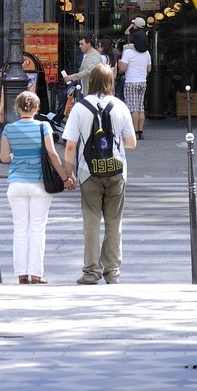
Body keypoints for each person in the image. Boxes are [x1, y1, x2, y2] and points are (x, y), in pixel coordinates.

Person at [63, 63, 136, 285]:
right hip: (117, 172)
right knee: (114, 223)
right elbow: (131, 143)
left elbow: (70, 146)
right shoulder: (120, 106)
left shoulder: (79, 107)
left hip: (88, 172)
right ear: (110, 82)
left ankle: (91, 272)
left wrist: (69, 174)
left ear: (91, 81)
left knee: (91, 222)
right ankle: (112, 272)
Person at [0, 89, 73, 284]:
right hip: (39, 183)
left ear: (17, 108)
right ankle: (36, 273)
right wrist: (65, 177)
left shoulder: (9, 129)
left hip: (16, 184)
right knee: (38, 228)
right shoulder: (44, 127)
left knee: (20, 228)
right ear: (37, 108)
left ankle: (21, 273)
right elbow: (52, 154)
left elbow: (4, 158)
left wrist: (17, 156)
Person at [118, 26, 151, 139]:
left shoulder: (128, 52)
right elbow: (149, 69)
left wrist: (119, 63)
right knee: (140, 108)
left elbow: (122, 69)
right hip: (142, 82)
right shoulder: (146, 53)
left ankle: (134, 132)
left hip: (131, 82)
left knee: (133, 109)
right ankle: (141, 131)